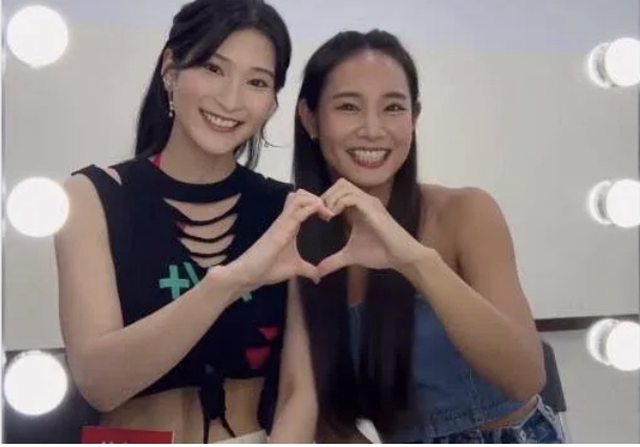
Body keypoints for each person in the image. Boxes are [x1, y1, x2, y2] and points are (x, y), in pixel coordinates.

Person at [55, 0, 326, 442]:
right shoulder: (92, 197)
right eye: (213, 68)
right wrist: (231, 280)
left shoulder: (287, 211)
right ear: (171, 69)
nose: (231, 99)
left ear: (272, 103)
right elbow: (99, 383)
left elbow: (301, 391)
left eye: (257, 81)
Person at [291, 29, 565, 443]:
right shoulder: (300, 240)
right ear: (310, 119)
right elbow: (315, 410)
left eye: (393, 108)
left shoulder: (466, 212)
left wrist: (415, 260)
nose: (373, 129)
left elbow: (525, 376)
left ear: (414, 118)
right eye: (348, 107)